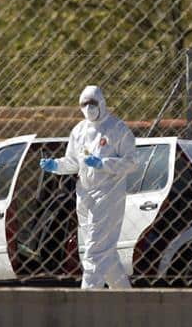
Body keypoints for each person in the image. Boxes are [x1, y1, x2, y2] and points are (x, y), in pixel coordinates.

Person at [39, 85, 137, 289]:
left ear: (102, 102)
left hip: (108, 196)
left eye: (92, 103)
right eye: (84, 104)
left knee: (94, 253)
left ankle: (87, 300)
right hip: (84, 196)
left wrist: (104, 164)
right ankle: (127, 299)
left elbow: (132, 162)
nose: (89, 108)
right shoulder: (79, 130)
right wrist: (56, 165)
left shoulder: (117, 128)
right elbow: (73, 162)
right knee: (104, 254)